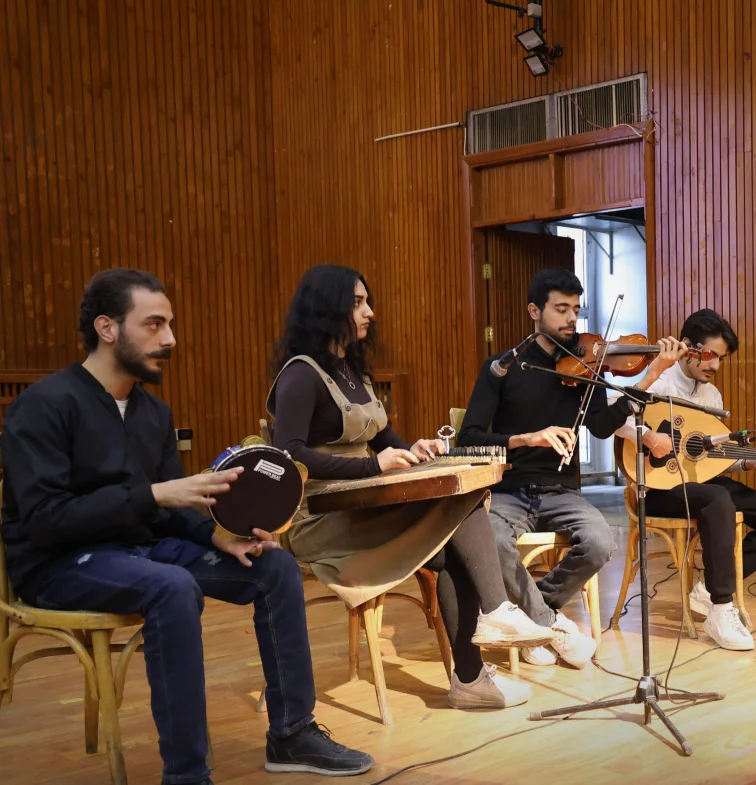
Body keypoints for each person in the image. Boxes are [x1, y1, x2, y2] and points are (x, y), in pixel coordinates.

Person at [0, 269, 373, 784]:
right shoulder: (44, 405)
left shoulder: (153, 413)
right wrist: (154, 495)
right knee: (172, 587)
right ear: (107, 328)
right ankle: (187, 775)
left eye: (170, 324)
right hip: (60, 562)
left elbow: (171, 512)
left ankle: (291, 734)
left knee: (276, 568)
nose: (170, 338)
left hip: (143, 550)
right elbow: (45, 520)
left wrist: (219, 537)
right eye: (154, 324)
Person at [267, 264, 550, 709]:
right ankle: (493, 622)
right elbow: (288, 454)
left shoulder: (351, 369)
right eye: (357, 303)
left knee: (456, 539)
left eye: (367, 302)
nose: (369, 312)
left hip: (361, 502)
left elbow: (382, 439)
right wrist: (373, 465)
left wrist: (411, 450)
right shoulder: (301, 375)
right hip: (320, 519)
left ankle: (473, 677)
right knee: (461, 512)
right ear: (327, 307)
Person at [458, 268, 656, 668]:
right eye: (561, 309)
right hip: (509, 488)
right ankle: (550, 626)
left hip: (561, 490)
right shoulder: (503, 368)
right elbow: (469, 437)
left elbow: (601, 426)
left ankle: (532, 619)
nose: (571, 319)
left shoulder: (586, 366)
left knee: (600, 542)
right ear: (535, 311)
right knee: (491, 539)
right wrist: (526, 439)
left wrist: (652, 375)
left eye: (576, 310)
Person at [617, 309, 756, 650]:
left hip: (700, 485)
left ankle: (706, 589)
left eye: (721, 359)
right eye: (711, 355)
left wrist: (750, 462)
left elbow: (710, 460)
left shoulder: (711, 396)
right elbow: (608, 414)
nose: (714, 366)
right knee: (717, 498)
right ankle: (721, 607)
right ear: (688, 346)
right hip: (656, 488)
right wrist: (649, 438)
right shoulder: (659, 380)